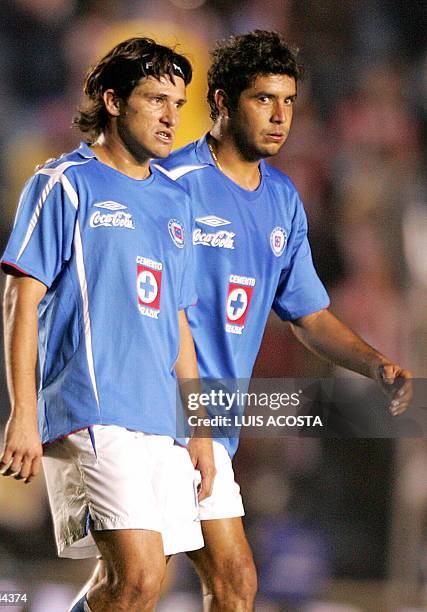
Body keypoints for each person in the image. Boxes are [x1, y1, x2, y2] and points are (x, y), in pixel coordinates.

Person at [156, 30, 412, 611]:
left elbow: (309, 314)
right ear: (221, 102)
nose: (280, 116)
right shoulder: (170, 185)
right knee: (138, 583)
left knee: (235, 584)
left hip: (209, 423)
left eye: (289, 102)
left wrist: (375, 363)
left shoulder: (282, 201)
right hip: (150, 413)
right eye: (263, 99)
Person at [0, 37, 215, 612]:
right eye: (155, 99)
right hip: (91, 409)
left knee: (132, 587)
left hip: (160, 421)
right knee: (138, 577)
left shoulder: (175, 200)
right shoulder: (63, 183)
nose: (172, 116)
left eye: (178, 101)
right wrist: (23, 414)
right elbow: (22, 299)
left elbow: (178, 321)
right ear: (113, 101)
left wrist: (198, 428)